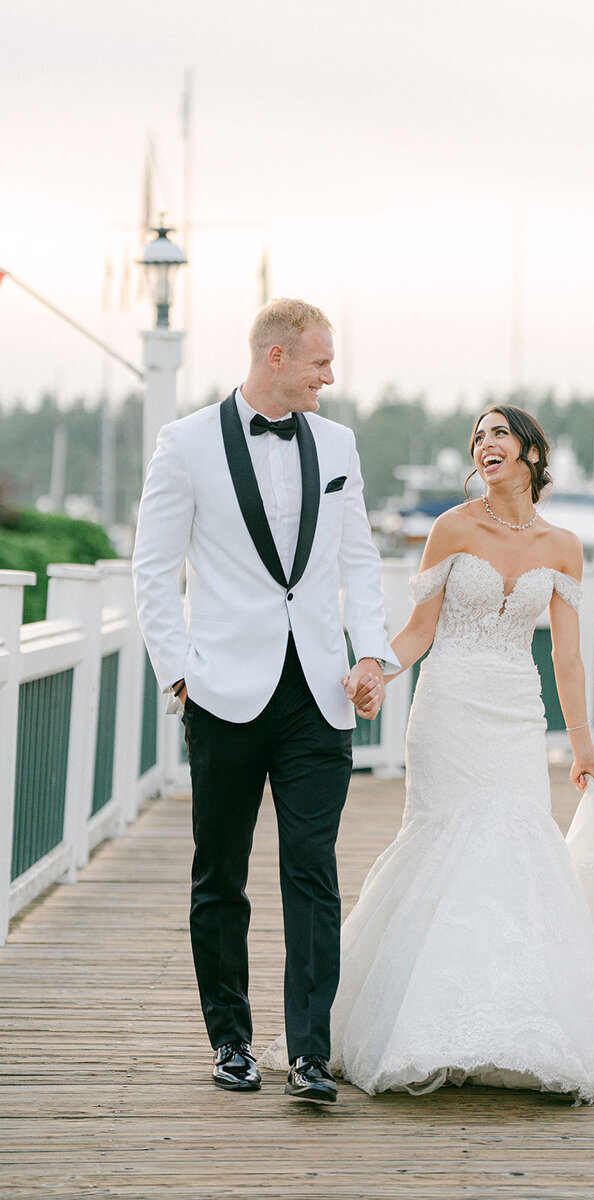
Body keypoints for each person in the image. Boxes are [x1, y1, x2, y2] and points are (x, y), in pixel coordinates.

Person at [262, 403, 594, 1102]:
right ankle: (418, 1025)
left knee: (520, 848)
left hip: (515, 713)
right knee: (442, 846)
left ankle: (516, 1025)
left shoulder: (563, 546)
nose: (484, 444)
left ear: (530, 452)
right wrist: (376, 667)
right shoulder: (453, 526)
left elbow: (566, 656)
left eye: (499, 433)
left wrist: (582, 744)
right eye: (477, 436)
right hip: (447, 709)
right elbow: (417, 630)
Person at [132, 298, 400, 1105]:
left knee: (312, 871)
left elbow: (360, 562)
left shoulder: (340, 443)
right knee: (220, 874)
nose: (331, 375)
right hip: (222, 691)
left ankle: (310, 1054)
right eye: (320, 361)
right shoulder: (184, 444)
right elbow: (153, 569)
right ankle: (231, 1042)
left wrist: (372, 655)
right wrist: (179, 673)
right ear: (275, 358)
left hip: (318, 694)